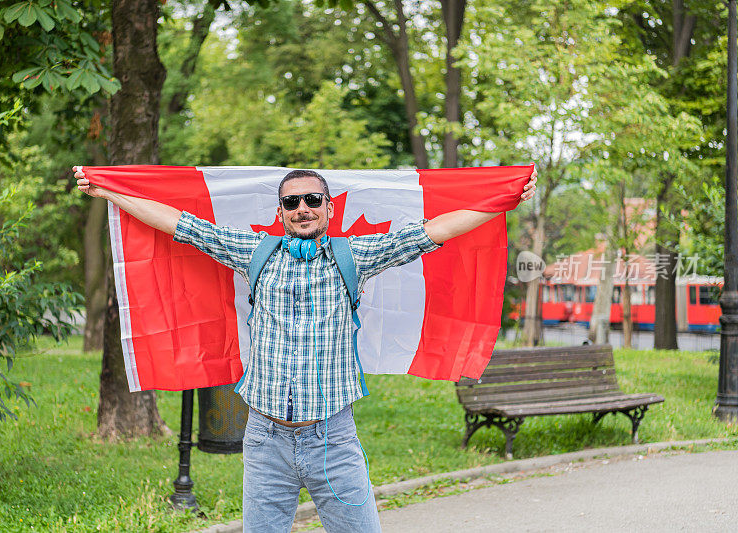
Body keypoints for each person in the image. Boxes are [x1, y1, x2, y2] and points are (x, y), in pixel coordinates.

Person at [75, 165, 537, 532]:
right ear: (280, 211)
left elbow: (433, 232)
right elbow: (183, 225)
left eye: (312, 200)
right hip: (265, 439)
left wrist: (505, 199)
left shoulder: (355, 256)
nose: (302, 208)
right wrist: (108, 190)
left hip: (332, 439)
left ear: (329, 209)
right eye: (291, 202)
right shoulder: (254, 251)